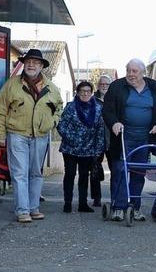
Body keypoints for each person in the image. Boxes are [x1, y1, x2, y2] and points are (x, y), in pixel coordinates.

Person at [0, 49, 63, 223]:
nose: (31, 65)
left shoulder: (51, 88)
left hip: (40, 136)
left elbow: (59, 109)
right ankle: (23, 210)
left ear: (41, 66)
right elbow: (0, 110)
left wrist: (51, 123)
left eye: (35, 62)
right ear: (24, 64)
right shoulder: (11, 84)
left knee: (36, 174)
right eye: (28, 62)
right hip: (17, 134)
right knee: (19, 173)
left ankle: (34, 208)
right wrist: (0, 135)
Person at [102, 59, 156, 222]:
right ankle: (118, 207)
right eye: (129, 71)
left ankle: (135, 207)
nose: (131, 75)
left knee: (139, 172)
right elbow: (108, 109)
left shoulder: (154, 87)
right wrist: (114, 122)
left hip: (145, 137)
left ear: (143, 72)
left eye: (134, 71)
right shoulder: (117, 86)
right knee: (120, 170)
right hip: (123, 136)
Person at [57, 81, 106, 213]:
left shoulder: (98, 109)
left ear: (91, 93)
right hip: (70, 149)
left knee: (84, 176)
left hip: (88, 149)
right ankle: (67, 203)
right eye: (82, 91)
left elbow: (100, 131)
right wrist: (72, 139)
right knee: (70, 175)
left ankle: (82, 204)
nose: (85, 93)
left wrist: (98, 150)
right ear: (77, 93)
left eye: (88, 91)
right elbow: (61, 125)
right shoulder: (70, 107)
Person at [89, 74, 112, 207]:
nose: (104, 86)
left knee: (114, 169)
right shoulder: (92, 100)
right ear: (98, 86)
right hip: (96, 140)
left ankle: (115, 196)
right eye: (101, 84)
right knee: (95, 170)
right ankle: (96, 198)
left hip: (111, 140)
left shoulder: (114, 99)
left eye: (106, 84)